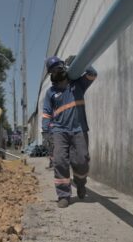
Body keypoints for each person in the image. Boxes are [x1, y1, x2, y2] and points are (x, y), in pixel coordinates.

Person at [41, 56, 97, 208]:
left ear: (64, 68)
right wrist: (46, 132)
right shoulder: (50, 92)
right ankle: (63, 195)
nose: (57, 71)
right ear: (51, 74)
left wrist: (81, 61)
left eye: (59, 67)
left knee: (82, 160)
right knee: (59, 161)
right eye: (53, 70)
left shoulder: (78, 84)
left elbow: (92, 74)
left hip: (79, 129)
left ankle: (80, 183)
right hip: (59, 131)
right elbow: (46, 113)